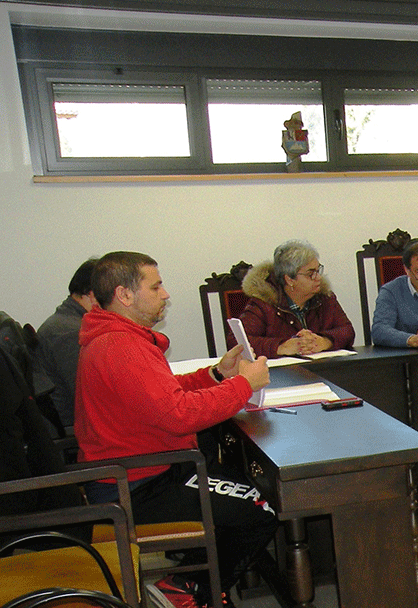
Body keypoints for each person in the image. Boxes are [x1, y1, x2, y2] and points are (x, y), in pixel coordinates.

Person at [74, 251, 277, 608]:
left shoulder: (118, 337)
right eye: (156, 286)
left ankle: (200, 575)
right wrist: (244, 385)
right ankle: (186, 588)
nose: (165, 294)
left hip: (142, 470)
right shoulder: (120, 346)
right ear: (124, 295)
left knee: (243, 481)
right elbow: (179, 415)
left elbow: (162, 392)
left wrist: (217, 375)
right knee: (262, 506)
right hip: (132, 487)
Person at [236, 240, 355, 357]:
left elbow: (347, 331)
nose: (318, 277)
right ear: (290, 280)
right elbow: (237, 342)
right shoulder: (264, 302)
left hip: (321, 369)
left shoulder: (325, 298)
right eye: (311, 274)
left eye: (318, 270)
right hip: (280, 374)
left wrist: (324, 341)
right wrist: (281, 347)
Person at [31, 257, 98, 431]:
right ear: (92, 294)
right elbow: (87, 398)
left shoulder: (66, 323)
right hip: (75, 430)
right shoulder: (71, 333)